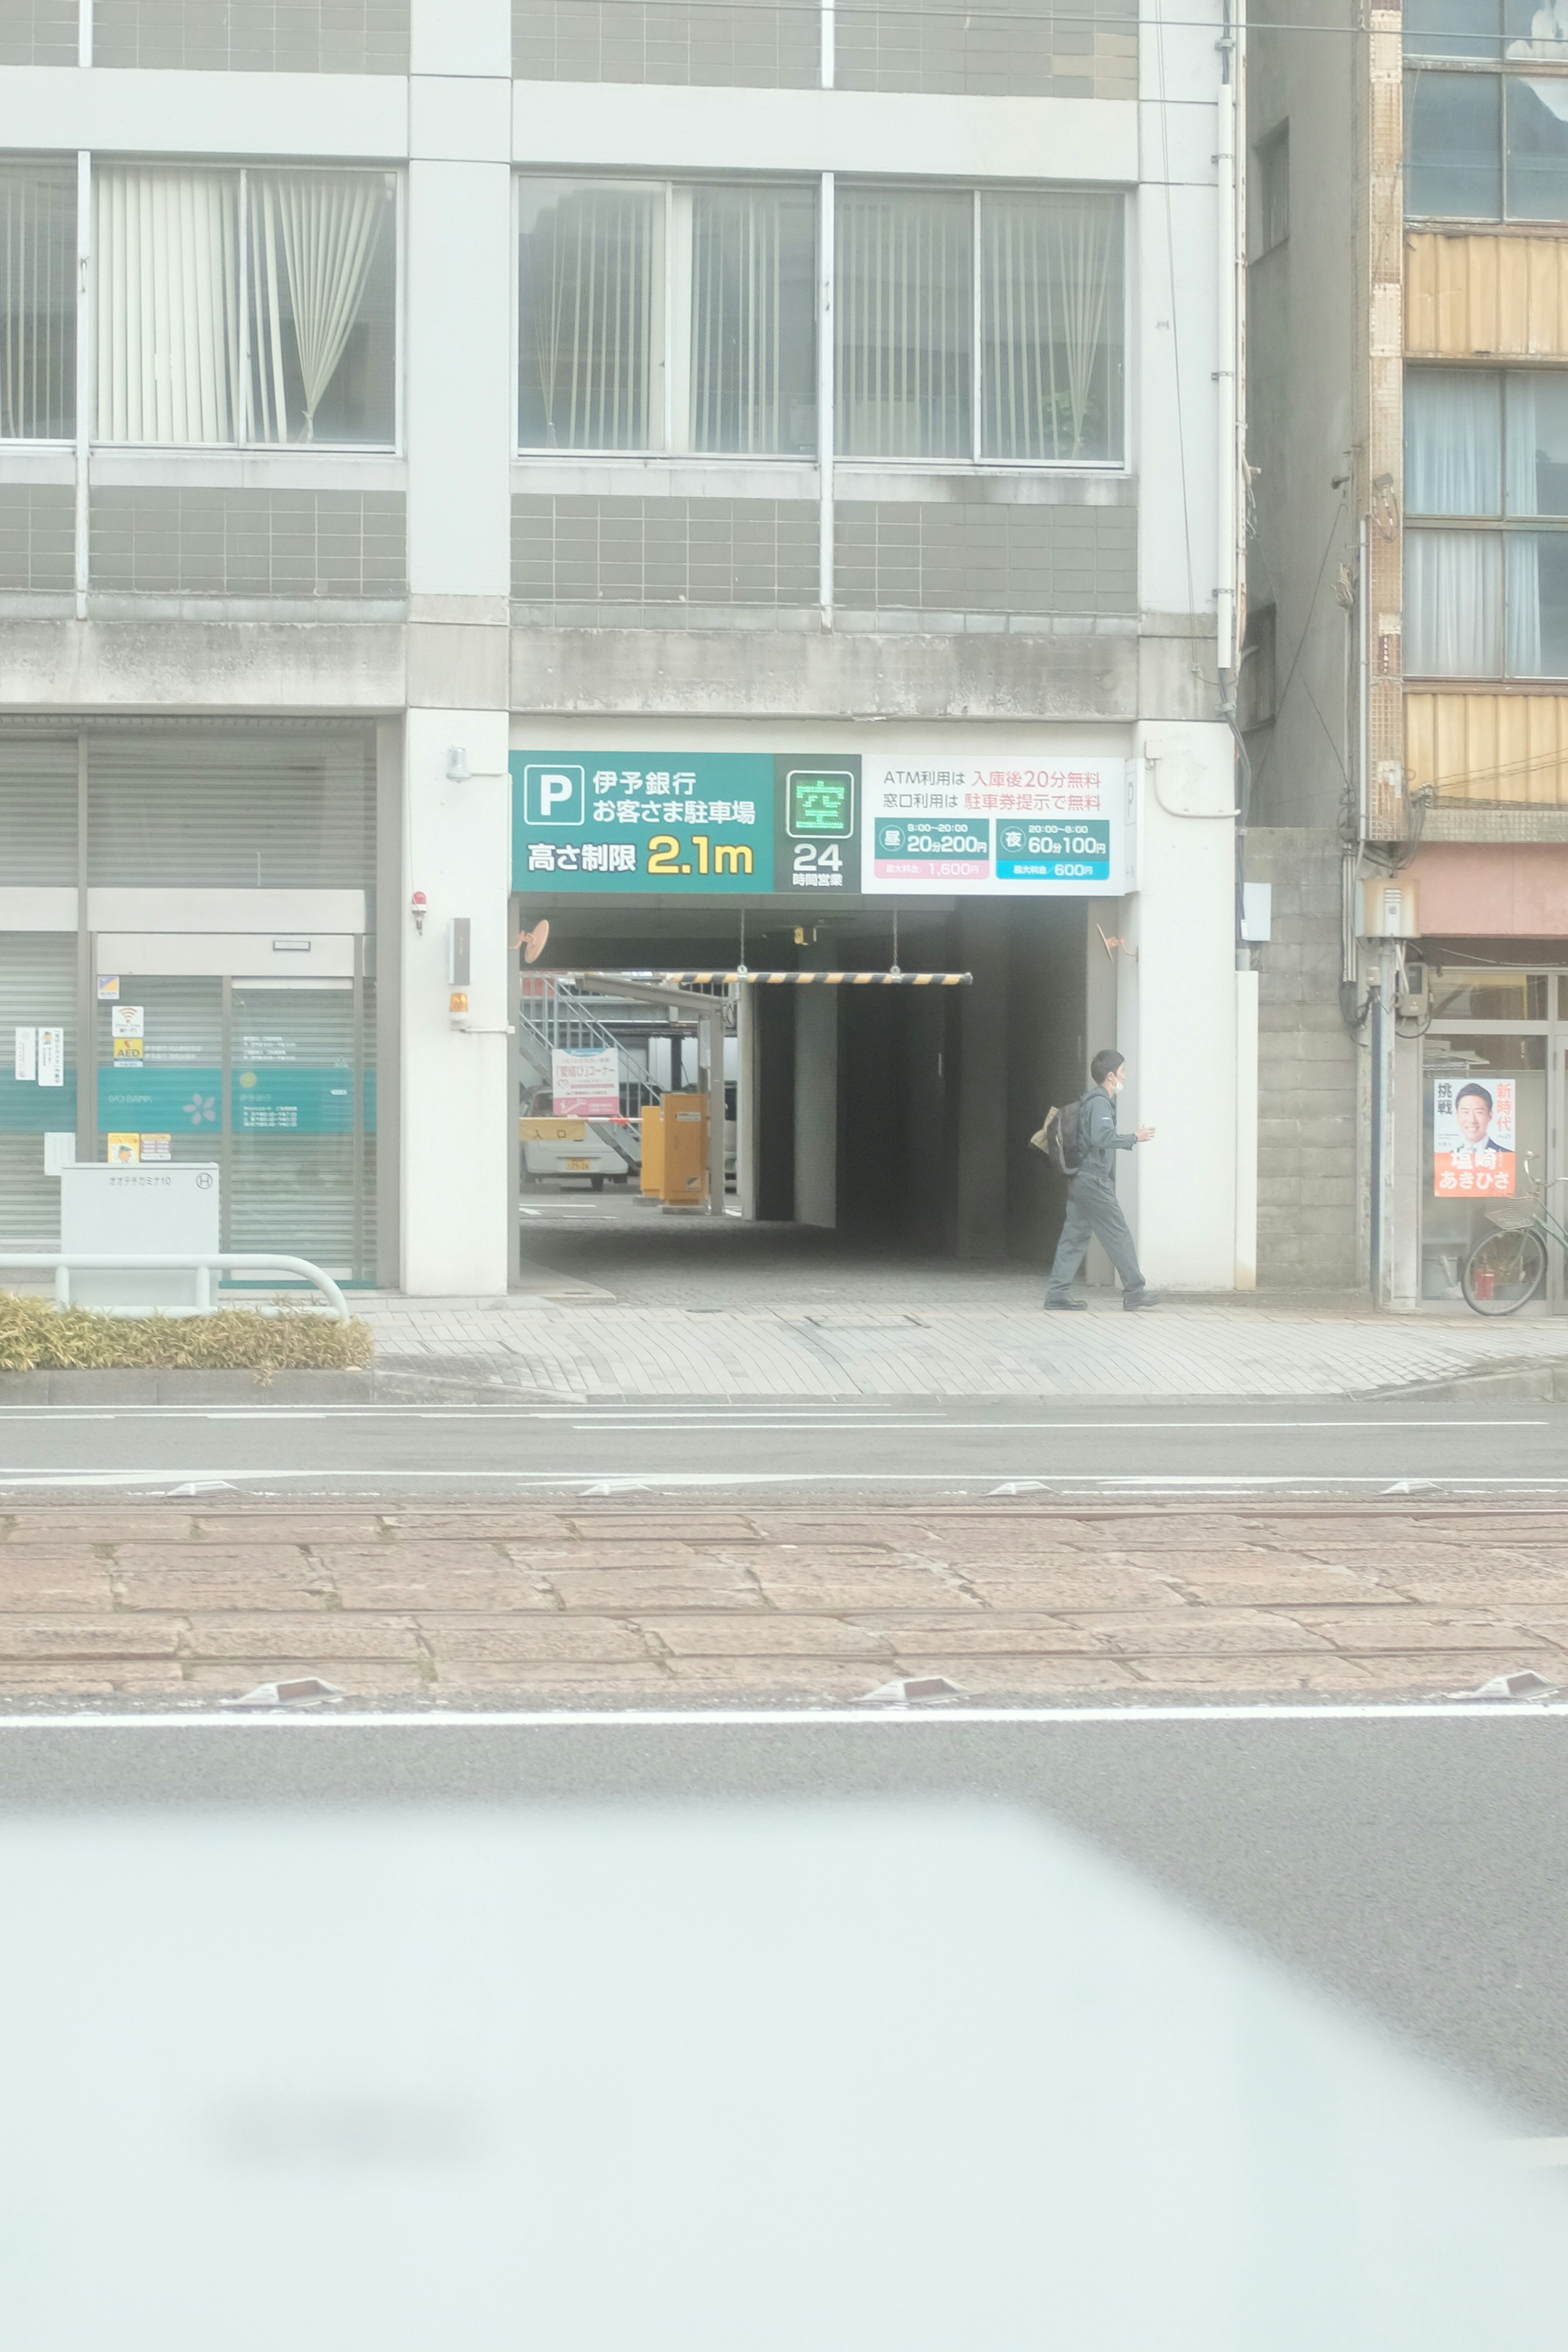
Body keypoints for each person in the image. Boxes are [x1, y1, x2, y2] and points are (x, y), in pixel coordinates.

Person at [1044, 1048, 1158, 1311]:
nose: (1125, 1077)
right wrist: (1135, 1137)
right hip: (1093, 1182)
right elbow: (1102, 1137)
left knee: (1074, 1237)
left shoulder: (1092, 1101)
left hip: (1082, 1181)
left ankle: (1057, 1295)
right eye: (1122, 1072)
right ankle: (1135, 1291)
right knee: (1118, 1233)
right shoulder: (1099, 1103)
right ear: (1111, 1076)